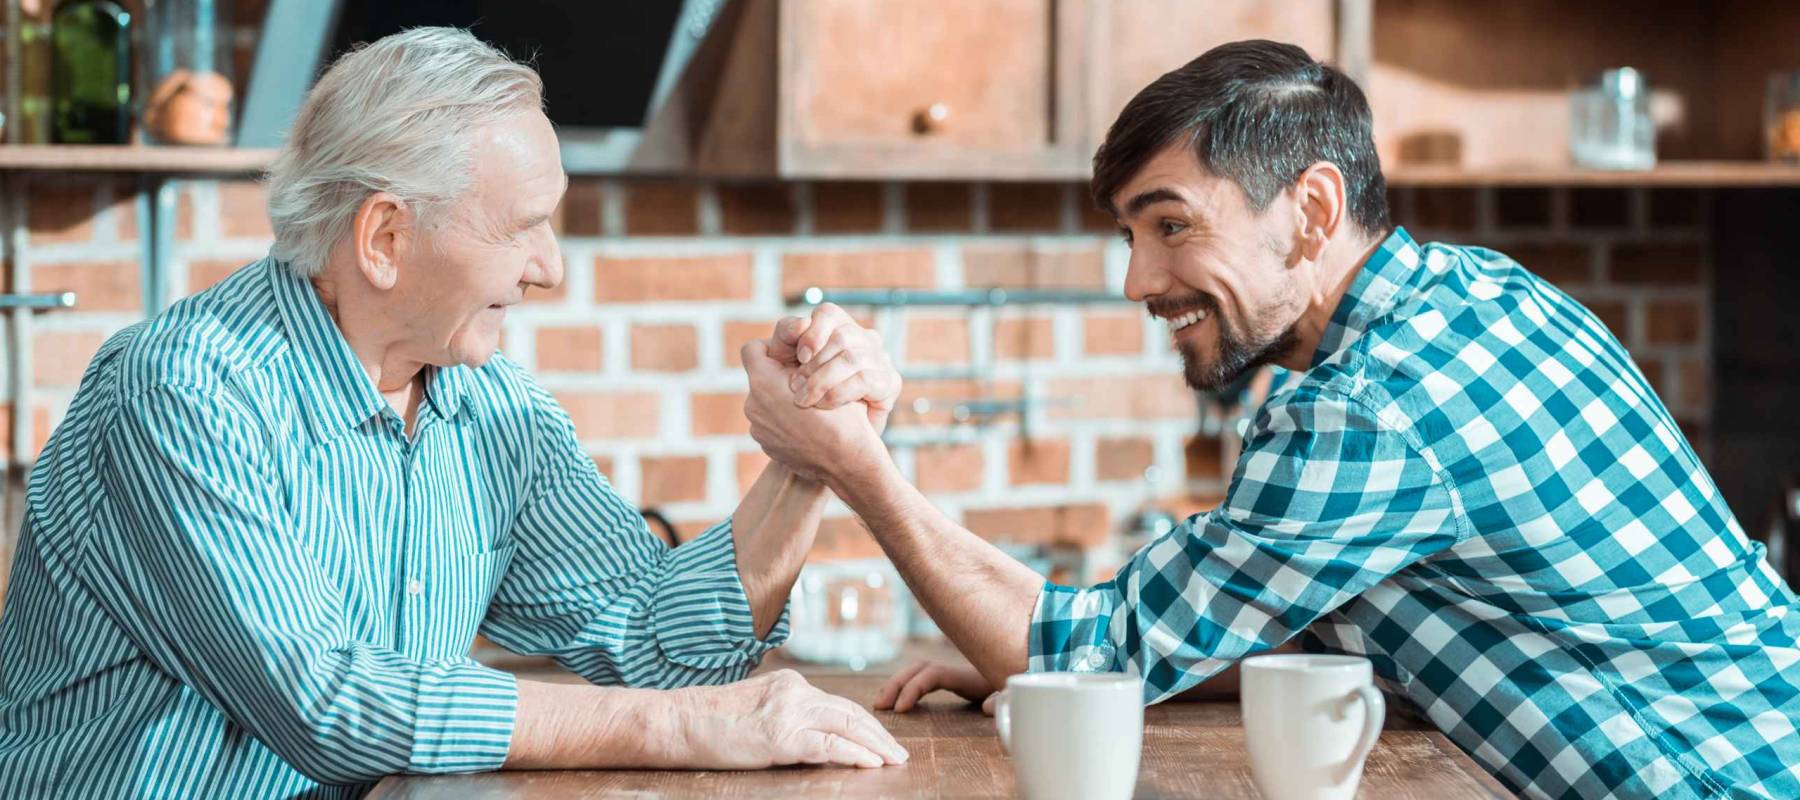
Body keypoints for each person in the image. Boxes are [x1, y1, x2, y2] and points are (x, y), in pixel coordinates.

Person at [740, 40, 1800, 799]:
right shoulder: (1480, 290)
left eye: (1170, 225)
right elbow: (1346, 613)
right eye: (1129, 233)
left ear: (1314, 210)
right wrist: (1086, 660)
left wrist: (855, 464)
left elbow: (1083, 650)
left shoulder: (1360, 409)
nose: (1138, 280)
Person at [0, 28, 907, 799]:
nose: (550, 268)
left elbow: (655, 642)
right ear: (386, 239)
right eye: (521, 226)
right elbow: (330, 706)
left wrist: (808, 459)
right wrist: (686, 729)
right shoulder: (184, 393)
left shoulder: (489, 406)